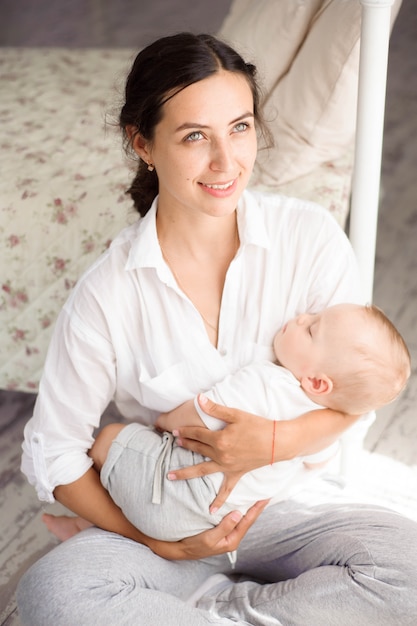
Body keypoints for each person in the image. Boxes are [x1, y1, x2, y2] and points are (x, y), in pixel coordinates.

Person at [17, 32, 417, 626]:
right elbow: (54, 451)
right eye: (195, 136)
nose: (227, 162)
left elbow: (351, 398)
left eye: (240, 127)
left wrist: (274, 445)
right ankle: (224, 599)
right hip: (168, 525)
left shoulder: (308, 238)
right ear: (143, 143)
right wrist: (158, 543)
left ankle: (229, 609)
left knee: (408, 571)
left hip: (284, 515)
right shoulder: (109, 291)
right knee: (52, 593)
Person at [77, 302, 410, 546]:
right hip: (215, 523)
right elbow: (316, 463)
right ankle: (89, 528)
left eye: (311, 328)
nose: (301, 317)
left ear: (318, 383)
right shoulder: (325, 434)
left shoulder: (267, 382)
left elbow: (194, 416)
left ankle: (89, 520)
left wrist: (162, 421)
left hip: (172, 494)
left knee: (110, 438)